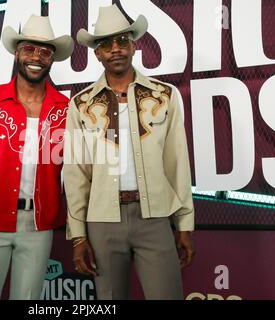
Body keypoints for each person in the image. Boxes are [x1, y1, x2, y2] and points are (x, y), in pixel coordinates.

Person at [64, 4, 195, 300]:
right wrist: (78, 236)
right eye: (105, 43)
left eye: (122, 40)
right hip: (102, 222)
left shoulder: (164, 95)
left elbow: (177, 163)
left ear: (134, 45)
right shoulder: (80, 104)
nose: (115, 49)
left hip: (155, 218)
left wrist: (185, 224)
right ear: (96, 52)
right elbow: (76, 173)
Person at [0, 15, 74, 300]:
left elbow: (74, 174)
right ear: (17, 52)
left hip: (39, 226)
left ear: (53, 60)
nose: (36, 57)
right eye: (29, 49)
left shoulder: (68, 109)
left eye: (45, 52)